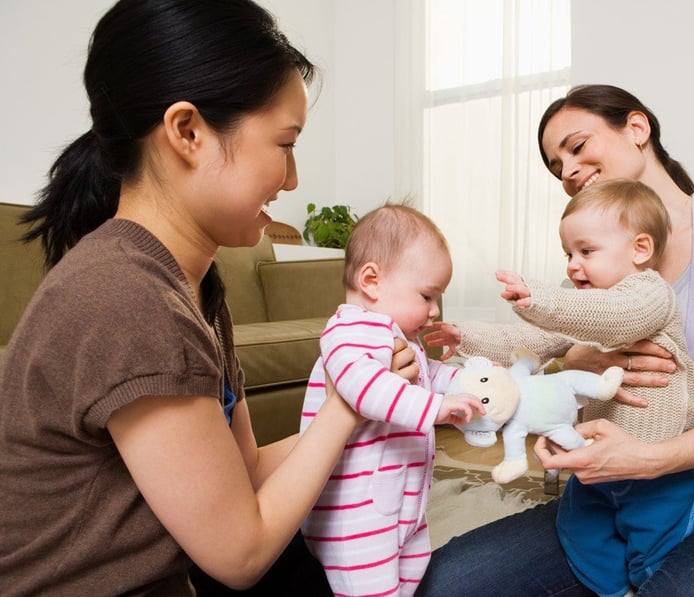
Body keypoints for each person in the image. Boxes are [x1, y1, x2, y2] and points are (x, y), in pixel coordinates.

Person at [0, 1, 417, 595]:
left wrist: (379, 411)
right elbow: (240, 553)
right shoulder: (125, 298)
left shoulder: (193, 284)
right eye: (285, 143)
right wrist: (348, 404)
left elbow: (241, 473)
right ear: (187, 131)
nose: (293, 179)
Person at [418, 84, 694, 596]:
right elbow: (551, 354)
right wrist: (561, 359)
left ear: (637, 129)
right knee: (445, 584)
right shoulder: (591, 268)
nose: (568, 171)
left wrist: (650, 459)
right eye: (557, 166)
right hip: (613, 499)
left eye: (576, 147)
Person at [488, 178, 694, 596]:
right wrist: (459, 338)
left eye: (586, 251)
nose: (572, 265)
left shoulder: (649, 295)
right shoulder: (582, 313)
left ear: (640, 250)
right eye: (568, 253)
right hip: (596, 470)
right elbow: (528, 345)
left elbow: (613, 317)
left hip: (661, 476)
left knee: (661, 553)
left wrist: (538, 299)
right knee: (582, 538)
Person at [299, 203, 484, 597]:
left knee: (411, 578)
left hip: (402, 502)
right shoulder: (349, 331)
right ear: (372, 280)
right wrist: (435, 409)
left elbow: (431, 377)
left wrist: (474, 382)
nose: (435, 311)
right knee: (371, 586)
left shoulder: (401, 337)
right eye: (427, 296)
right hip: (356, 515)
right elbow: (364, 389)